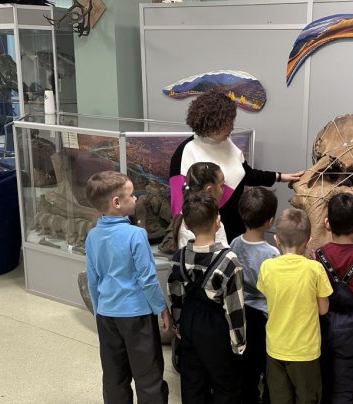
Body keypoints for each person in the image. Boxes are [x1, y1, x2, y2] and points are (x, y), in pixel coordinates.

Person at [169, 88, 303, 241]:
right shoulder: (185, 152)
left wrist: (280, 177)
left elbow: (247, 174)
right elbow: (179, 208)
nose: (232, 128)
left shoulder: (226, 143)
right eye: (227, 124)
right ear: (212, 123)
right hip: (207, 235)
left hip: (236, 229)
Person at [84, 170, 171, 404]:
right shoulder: (137, 235)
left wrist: (99, 311)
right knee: (148, 376)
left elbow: (92, 279)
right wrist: (161, 308)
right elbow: (147, 279)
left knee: (114, 376)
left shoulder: (92, 236)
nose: (136, 198)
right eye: (132, 195)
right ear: (116, 202)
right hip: (137, 316)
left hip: (106, 315)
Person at [168, 190, 246, 404]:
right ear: (217, 220)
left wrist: (178, 323)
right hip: (216, 326)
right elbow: (235, 306)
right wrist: (239, 343)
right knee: (224, 383)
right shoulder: (229, 260)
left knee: (192, 381)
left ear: (185, 224)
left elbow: (175, 293)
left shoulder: (179, 256)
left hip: (189, 321)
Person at [257, 208, 333, 404]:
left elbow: (268, 296)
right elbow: (324, 309)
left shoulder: (267, 267)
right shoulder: (315, 269)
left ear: (276, 239)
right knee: (307, 397)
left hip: (275, 347)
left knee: (279, 398)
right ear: (308, 240)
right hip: (305, 351)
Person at [314, 193, 353, 404]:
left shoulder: (317, 256)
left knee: (322, 381)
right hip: (351, 332)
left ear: (327, 224)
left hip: (321, 328)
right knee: (345, 386)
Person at [229, 187, 280, 404]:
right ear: (270, 221)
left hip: (240, 311)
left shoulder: (234, 243)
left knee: (246, 366)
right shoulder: (272, 254)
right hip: (263, 316)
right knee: (265, 364)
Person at [169, 161, 229, 249]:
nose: (224, 190)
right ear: (209, 190)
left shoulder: (187, 214)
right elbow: (222, 253)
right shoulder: (210, 222)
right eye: (222, 185)